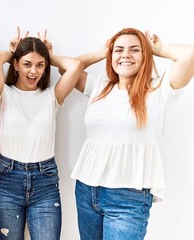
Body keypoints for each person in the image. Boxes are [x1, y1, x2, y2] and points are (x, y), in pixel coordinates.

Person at [65, 28, 194, 239]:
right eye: (119, 50)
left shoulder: (158, 89)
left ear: (145, 56)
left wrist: (158, 49)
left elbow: (189, 55)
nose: (125, 55)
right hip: (87, 190)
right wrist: (102, 52)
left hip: (128, 197)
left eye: (135, 50)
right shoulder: (100, 86)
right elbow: (68, 69)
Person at [0, 28, 83, 240]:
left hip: (45, 181)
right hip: (8, 180)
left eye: (40, 65)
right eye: (27, 64)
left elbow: (75, 66)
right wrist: (14, 52)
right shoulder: (3, 94)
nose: (34, 71)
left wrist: (49, 56)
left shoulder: (52, 96)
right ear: (15, 65)